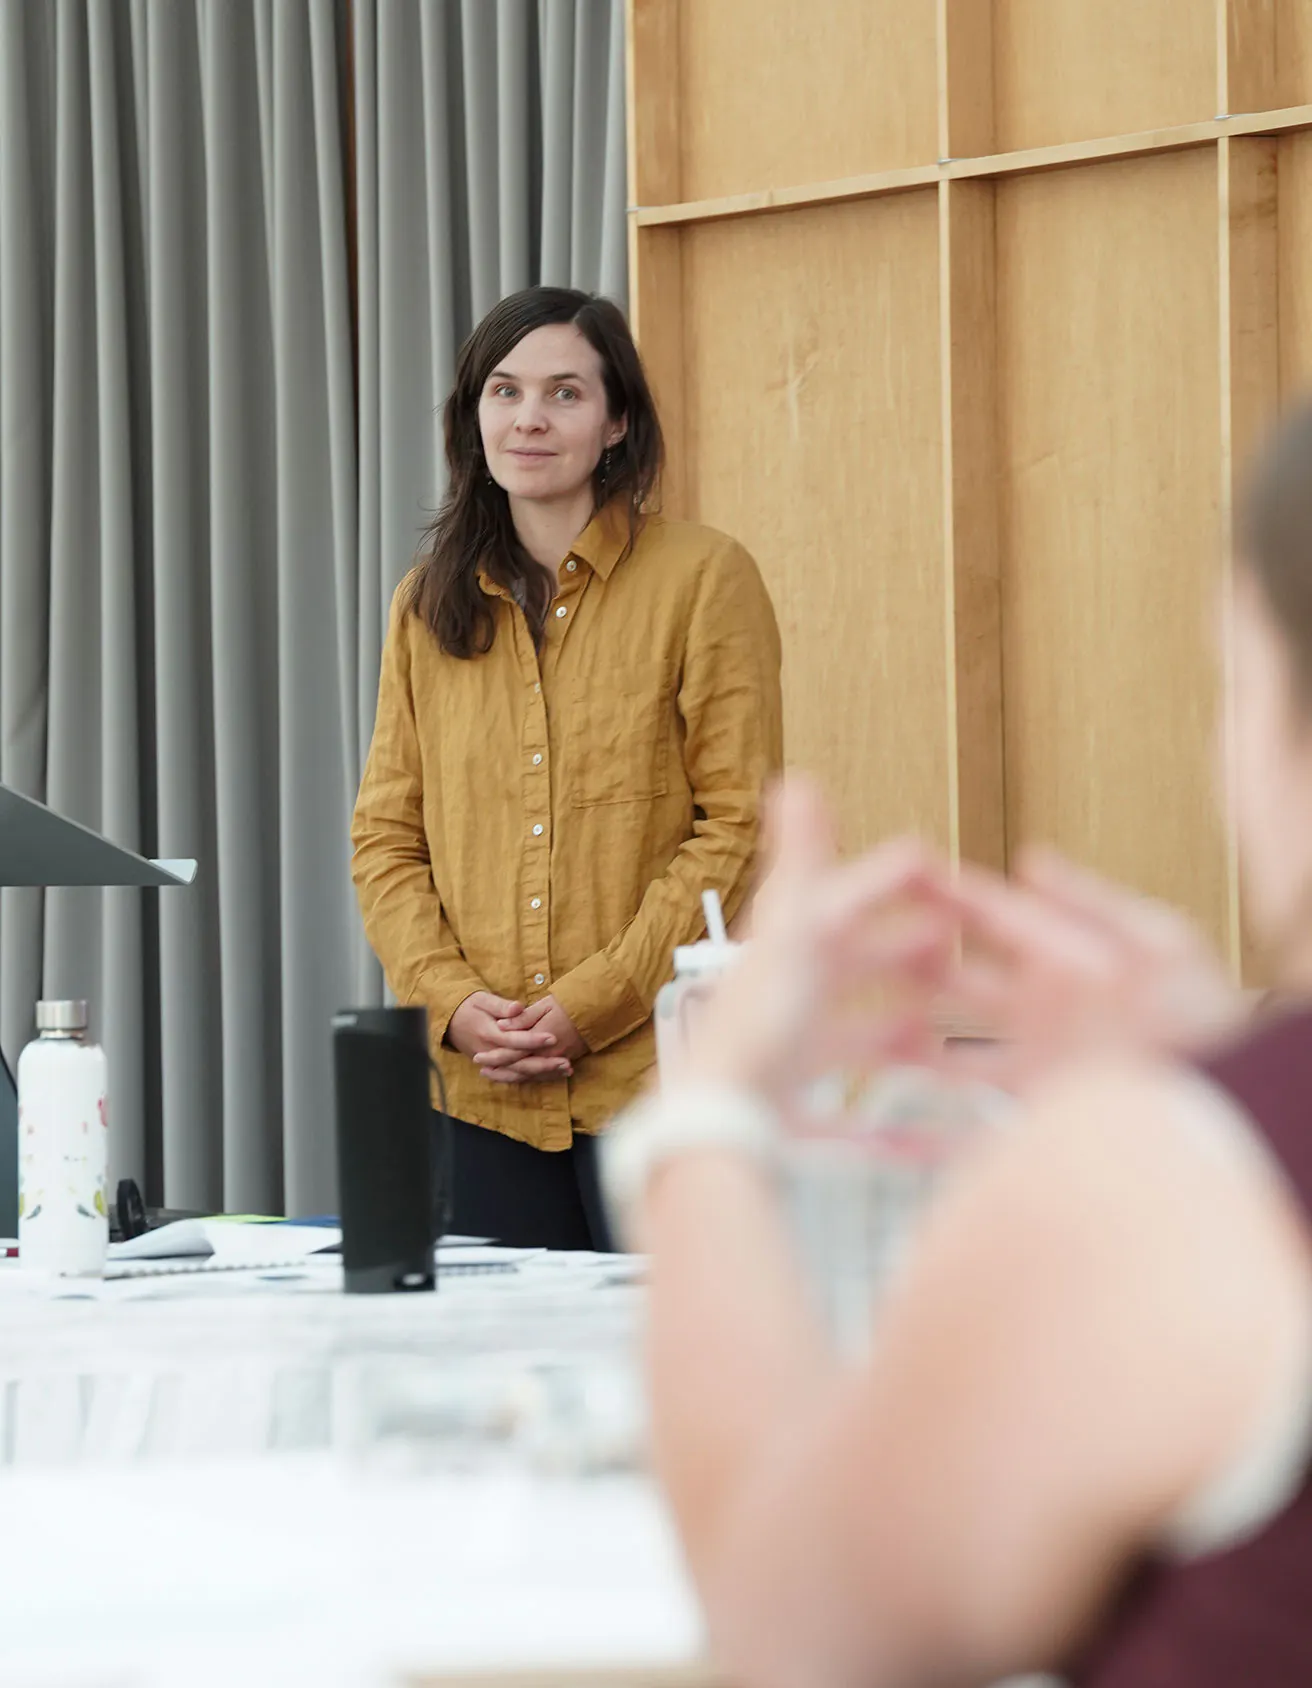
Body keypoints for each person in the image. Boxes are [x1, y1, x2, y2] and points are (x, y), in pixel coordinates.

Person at [604, 399, 1312, 1687]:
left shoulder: (1172, 1193)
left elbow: (790, 1632)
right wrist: (1213, 1071)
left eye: (1234, 682)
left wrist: (704, 1122)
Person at [352, 286, 782, 1251]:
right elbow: (386, 838)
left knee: (661, 1392)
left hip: (655, 1089)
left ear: (617, 420)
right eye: (503, 392)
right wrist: (453, 1005)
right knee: (495, 1394)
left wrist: (589, 1006)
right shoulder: (425, 603)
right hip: (477, 1093)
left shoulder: (704, 577)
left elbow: (738, 825)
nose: (529, 419)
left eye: (565, 393)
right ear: (475, 417)